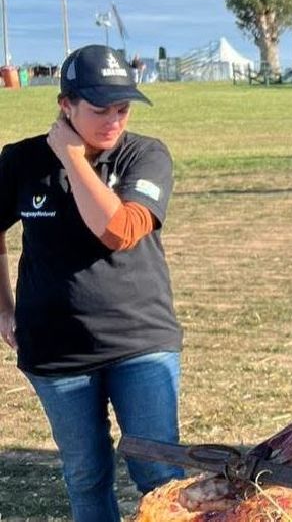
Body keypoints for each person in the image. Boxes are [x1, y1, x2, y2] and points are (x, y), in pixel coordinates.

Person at [0, 44, 184, 520]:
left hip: (139, 342)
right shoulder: (20, 162)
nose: (114, 120)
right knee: (86, 477)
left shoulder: (146, 154)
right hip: (55, 352)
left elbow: (119, 230)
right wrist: (4, 308)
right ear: (65, 105)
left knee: (159, 478)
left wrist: (72, 158)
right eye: (100, 109)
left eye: (122, 108)